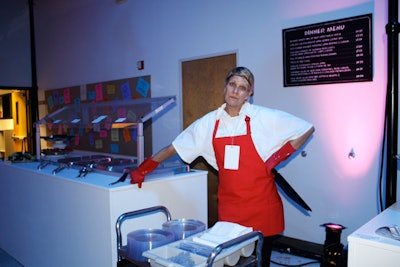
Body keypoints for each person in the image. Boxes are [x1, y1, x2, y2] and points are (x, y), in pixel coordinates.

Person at [130, 66, 315, 266]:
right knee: (231, 260)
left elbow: (305, 128)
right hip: (231, 207)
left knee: (261, 259)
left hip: (262, 205)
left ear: (249, 93)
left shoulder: (263, 117)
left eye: (242, 88)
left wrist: (275, 159)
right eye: (232, 85)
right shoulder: (209, 123)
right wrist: (143, 169)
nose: (235, 91)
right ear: (225, 87)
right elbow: (173, 148)